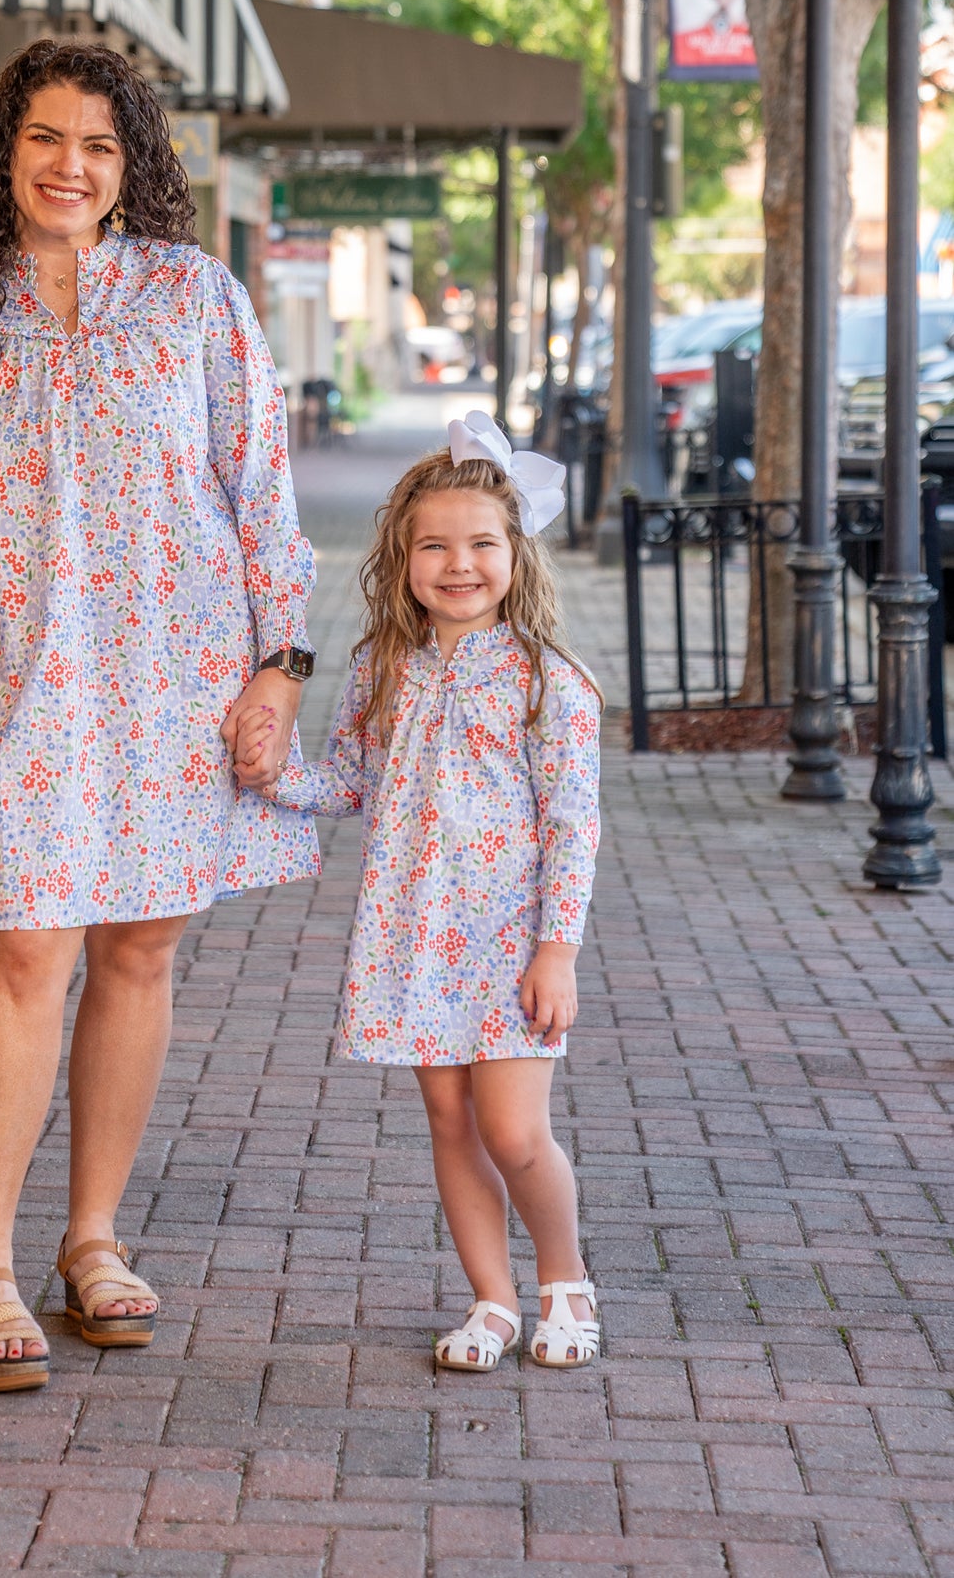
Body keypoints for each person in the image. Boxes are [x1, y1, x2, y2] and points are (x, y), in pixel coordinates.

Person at [0, 39, 319, 1394]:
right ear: (4, 152)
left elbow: (260, 493)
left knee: (138, 950)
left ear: (135, 165)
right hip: (22, 691)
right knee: (25, 954)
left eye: (101, 145)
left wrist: (278, 667)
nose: (73, 165)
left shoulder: (197, 297)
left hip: (181, 683)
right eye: (48, 139)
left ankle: (93, 1240)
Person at [243, 412, 601, 1373]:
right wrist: (275, 772)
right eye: (432, 545)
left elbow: (574, 826)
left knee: (515, 1129)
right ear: (401, 559)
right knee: (450, 1122)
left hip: (510, 941)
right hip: (413, 933)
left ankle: (563, 1278)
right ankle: (490, 1298)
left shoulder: (547, 685)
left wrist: (555, 946)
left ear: (515, 554)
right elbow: (350, 783)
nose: (457, 564)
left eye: (481, 543)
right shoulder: (380, 668)